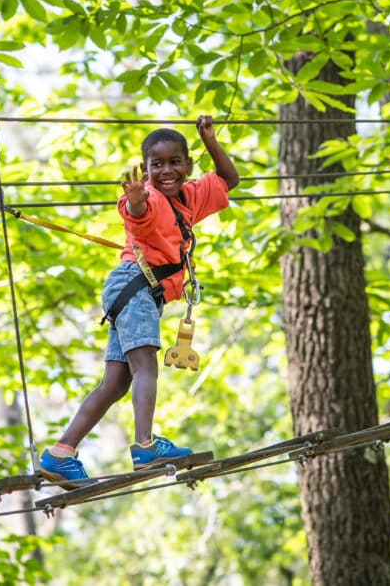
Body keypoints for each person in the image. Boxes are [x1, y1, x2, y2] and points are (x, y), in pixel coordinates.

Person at [38, 116, 239, 489]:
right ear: (146, 172)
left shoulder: (190, 197)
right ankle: (145, 446)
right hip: (135, 287)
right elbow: (137, 214)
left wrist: (209, 140)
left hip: (133, 292)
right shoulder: (149, 198)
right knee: (145, 365)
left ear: (188, 166)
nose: (166, 170)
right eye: (156, 165)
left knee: (116, 383)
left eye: (175, 162)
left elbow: (229, 180)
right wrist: (134, 200)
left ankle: (60, 454)